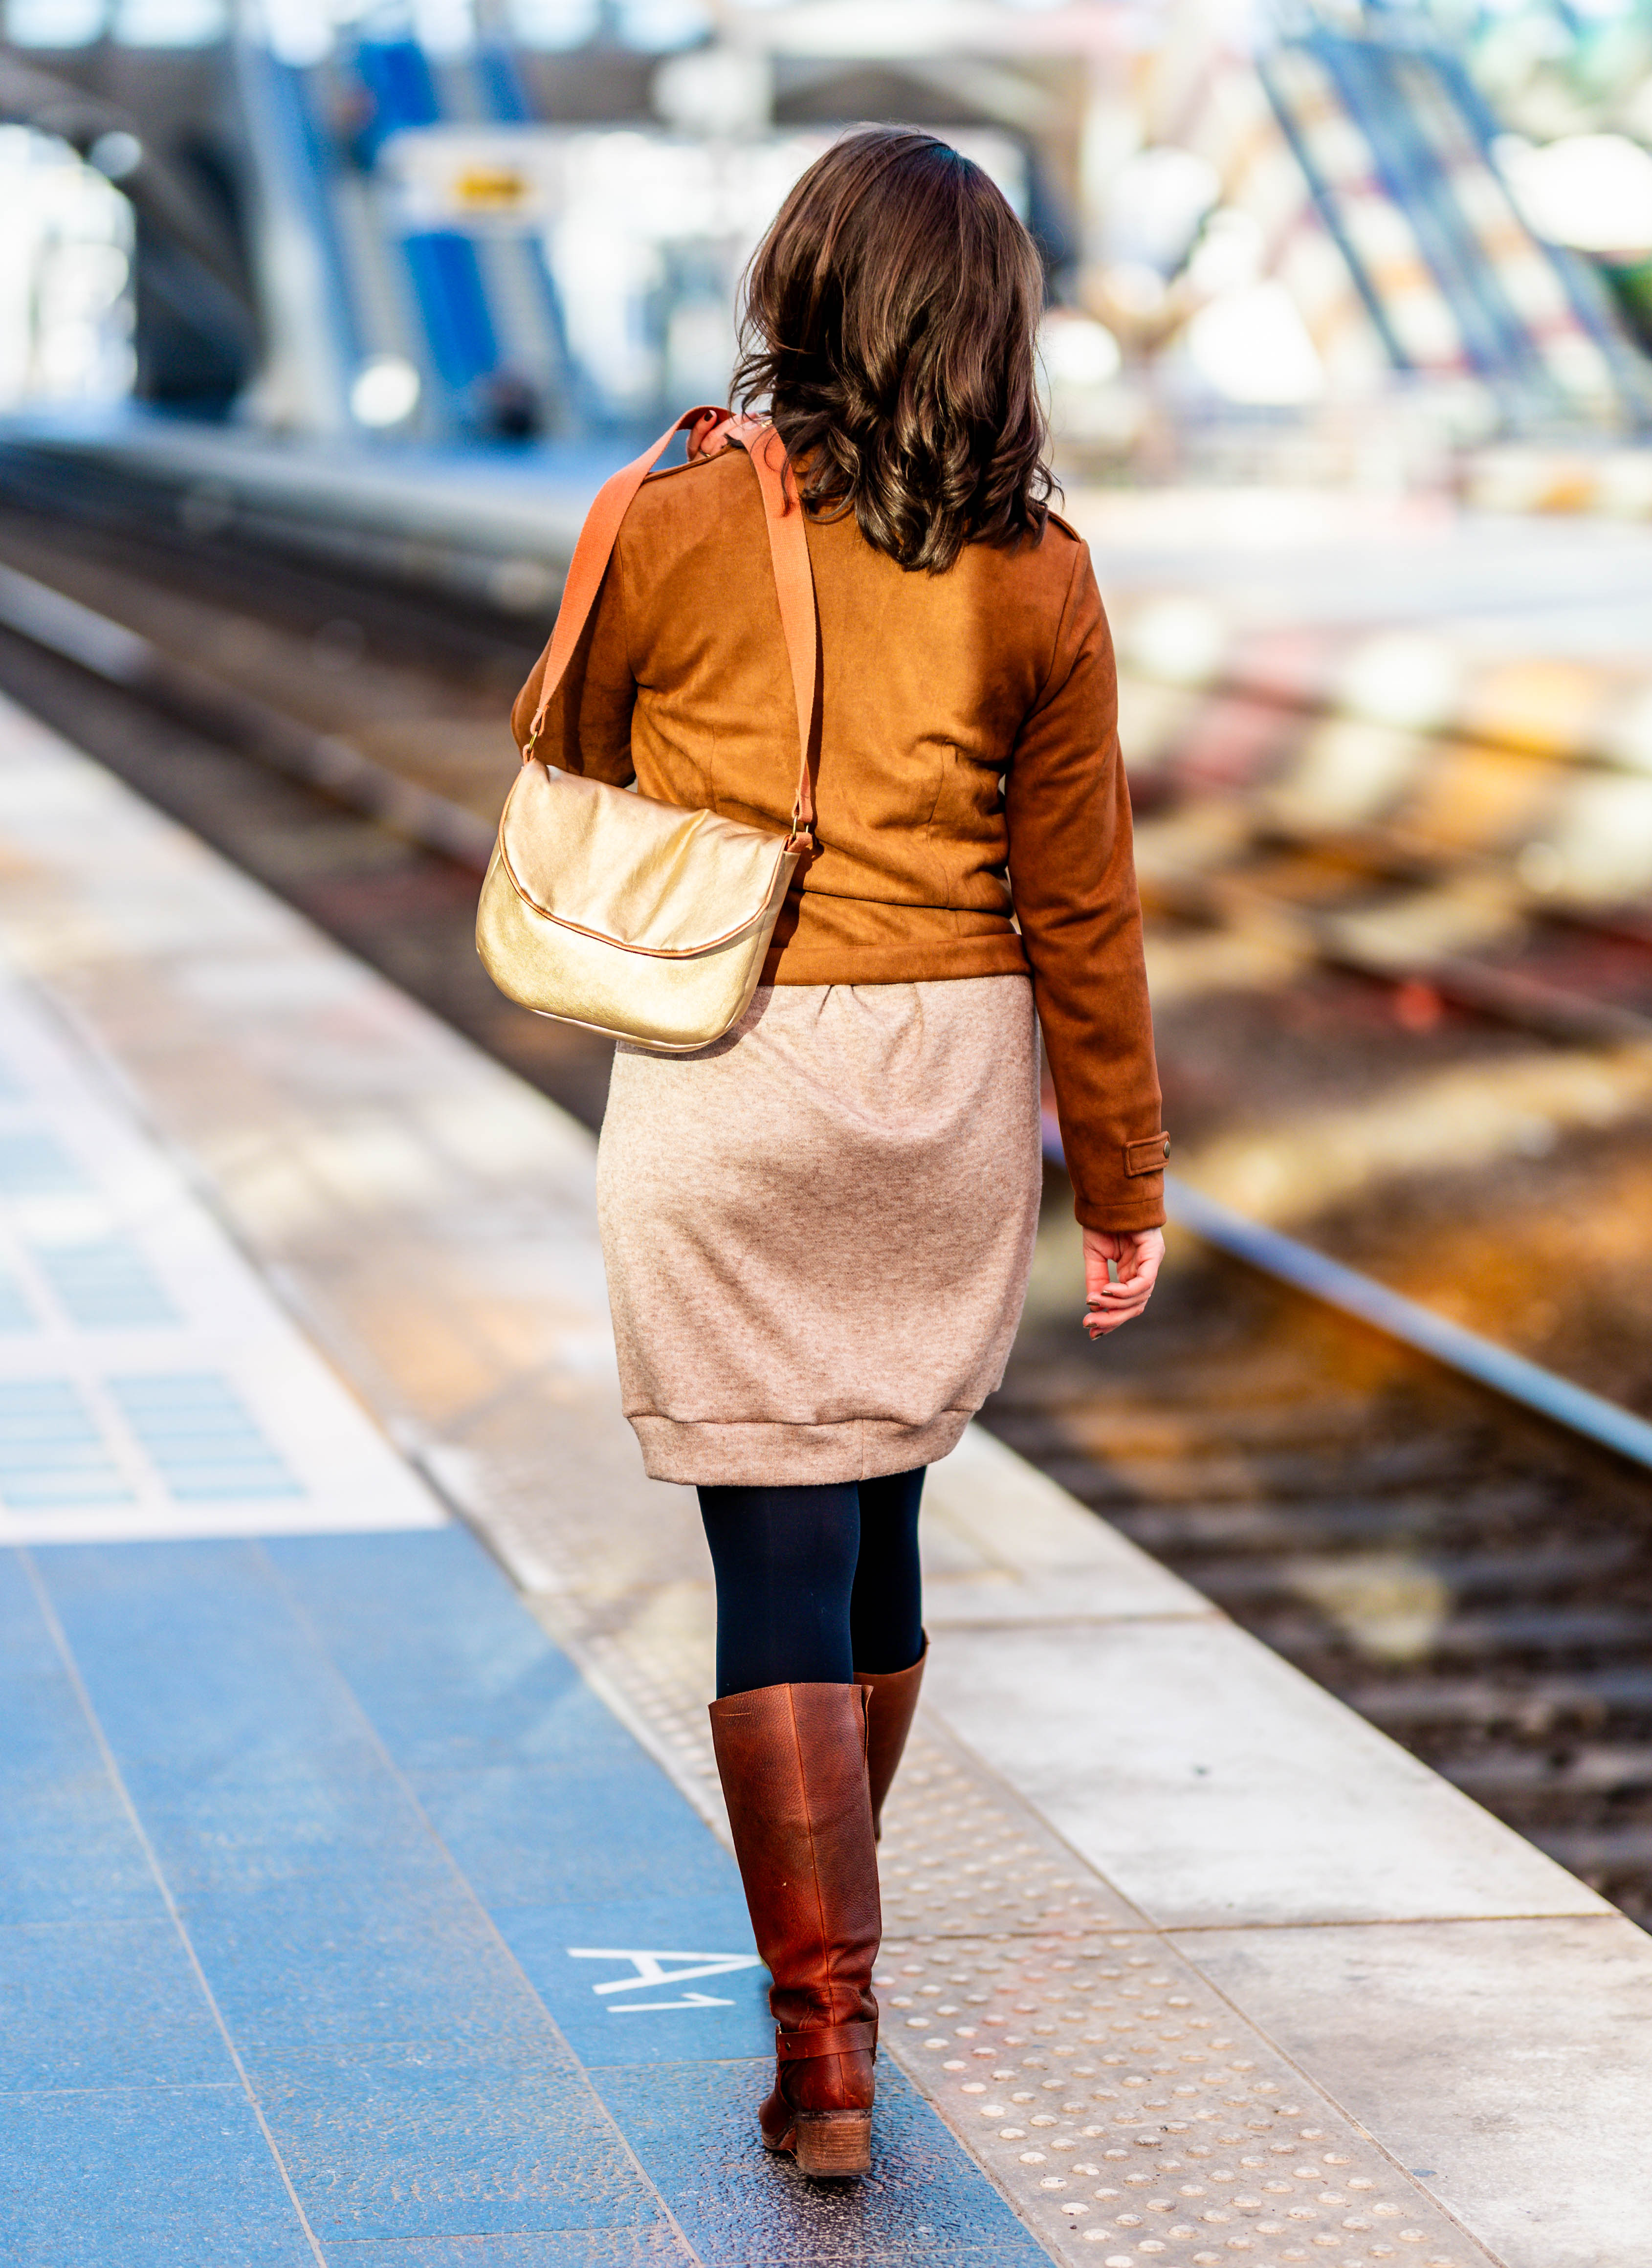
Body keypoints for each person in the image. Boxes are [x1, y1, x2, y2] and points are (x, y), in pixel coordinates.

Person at [511, 127, 1166, 2180]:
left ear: (798, 289)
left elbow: (567, 740)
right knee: (875, 1506)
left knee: (771, 1545)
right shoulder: (1043, 570)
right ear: (995, 321)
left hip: (734, 1070)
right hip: (950, 1082)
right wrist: (1125, 1183)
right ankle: (841, 1995)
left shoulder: (676, 510)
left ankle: (828, 2049)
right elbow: (1088, 907)